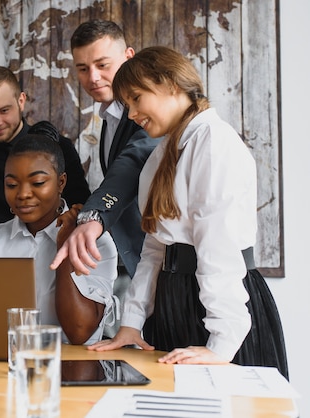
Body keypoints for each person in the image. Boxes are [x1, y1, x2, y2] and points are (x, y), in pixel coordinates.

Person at [88, 46, 289, 379]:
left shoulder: (212, 141)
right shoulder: (161, 154)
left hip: (219, 309)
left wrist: (222, 342)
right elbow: (154, 249)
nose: (132, 113)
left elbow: (217, 246)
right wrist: (132, 324)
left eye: (136, 98)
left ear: (169, 84)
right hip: (175, 300)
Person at [0, 127, 118, 345]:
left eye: (38, 183)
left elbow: (79, 332)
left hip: (79, 370)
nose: (22, 194)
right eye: (11, 184)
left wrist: (65, 246)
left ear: (61, 182)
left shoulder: (96, 241)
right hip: (11, 365)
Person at [51, 20, 159, 282]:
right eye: (83, 68)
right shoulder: (110, 117)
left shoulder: (150, 112)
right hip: (140, 264)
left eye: (103, 65)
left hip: (169, 261)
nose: (94, 77)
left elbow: (131, 164)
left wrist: (93, 215)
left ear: (128, 57)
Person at [0, 66, 91, 250]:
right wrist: (9, 247)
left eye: (4, 111)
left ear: (21, 101)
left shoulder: (60, 148)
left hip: (57, 251)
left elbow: (81, 206)